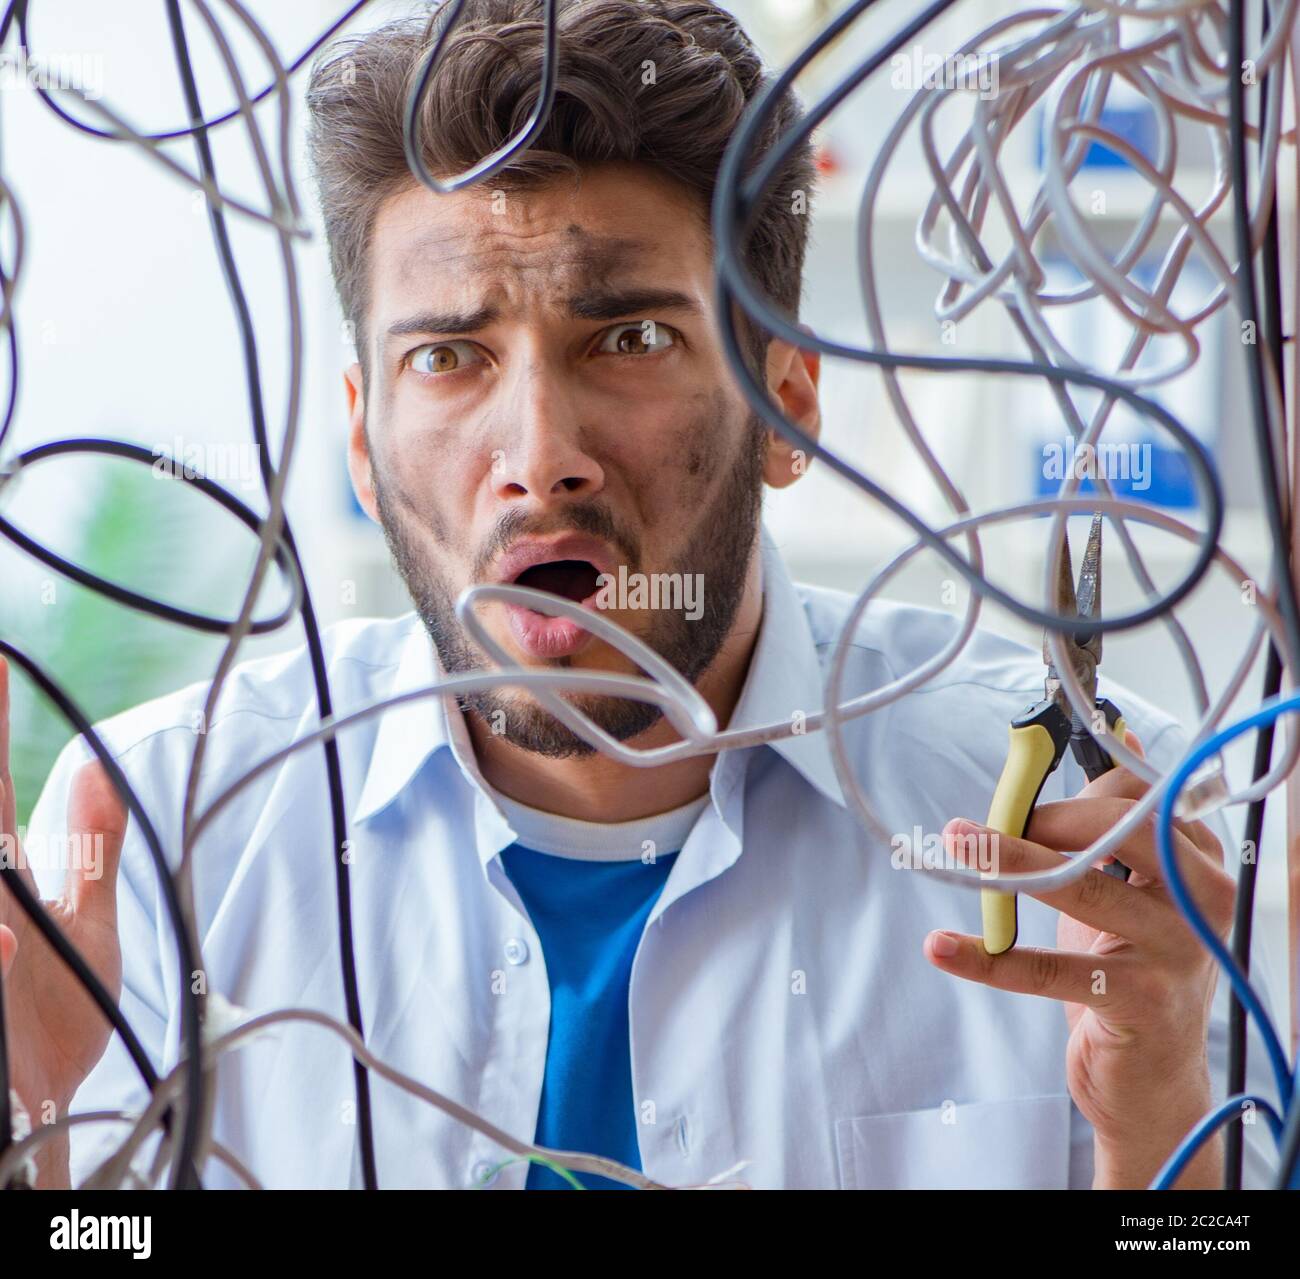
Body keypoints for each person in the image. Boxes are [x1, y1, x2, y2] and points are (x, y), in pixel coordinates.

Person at [0, 0, 1280, 1189]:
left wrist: (1157, 1113)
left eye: (630, 338)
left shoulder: (1104, 832)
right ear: (362, 440)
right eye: (449, 357)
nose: (539, 451)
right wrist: (34, 1142)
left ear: (789, 402)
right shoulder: (162, 834)